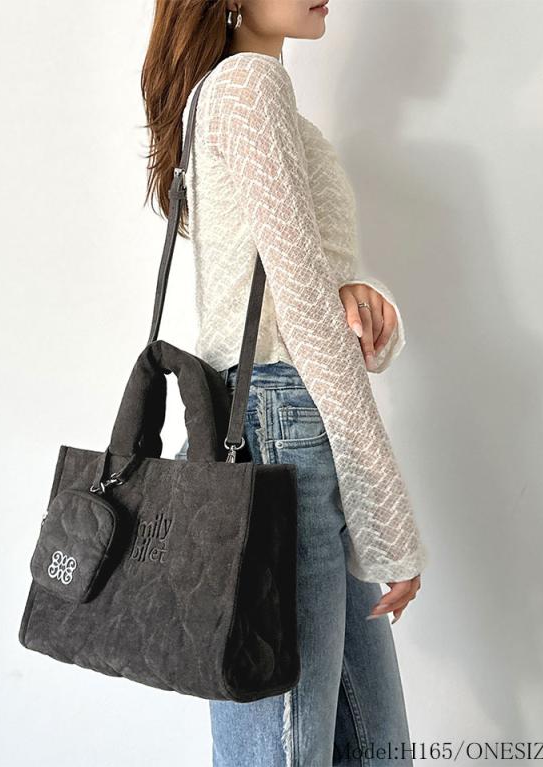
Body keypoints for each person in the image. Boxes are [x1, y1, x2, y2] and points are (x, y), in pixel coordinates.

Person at [141, 1, 428, 765]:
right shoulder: (248, 86)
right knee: (285, 751)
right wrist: (386, 513)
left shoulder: (239, 96)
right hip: (280, 427)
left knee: (373, 746)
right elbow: (299, 310)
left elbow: (291, 291)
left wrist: (355, 298)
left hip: (279, 419)